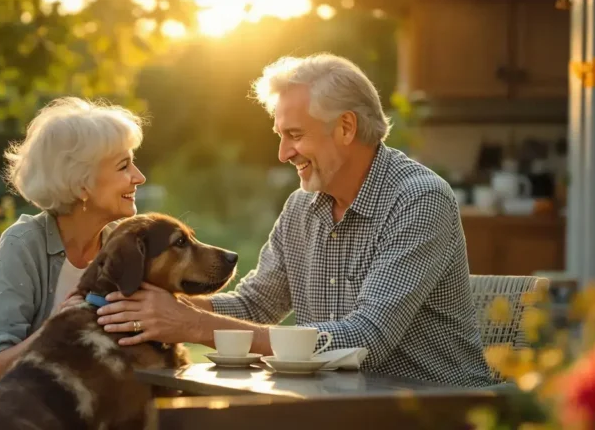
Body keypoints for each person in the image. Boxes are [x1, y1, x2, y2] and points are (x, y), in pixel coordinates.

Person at [95, 53, 494, 387]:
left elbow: (365, 338)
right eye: (280, 135)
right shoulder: (302, 208)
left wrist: (194, 325)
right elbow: (254, 304)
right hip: (336, 405)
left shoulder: (418, 200)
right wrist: (153, 306)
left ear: (345, 127)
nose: (284, 153)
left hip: (435, 408)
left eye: (296, 135)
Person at [0, 97, 147, 407]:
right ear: (81, 184)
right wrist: (57, 326)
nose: (139, 177)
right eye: (124, 166)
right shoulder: (23, 246)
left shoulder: (118, 246)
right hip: (5, 414)